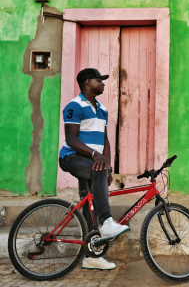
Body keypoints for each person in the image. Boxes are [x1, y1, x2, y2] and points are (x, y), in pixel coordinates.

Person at [58, 68, 129, 270]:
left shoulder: (102, 109)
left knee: (89, 205)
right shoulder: (75, 105)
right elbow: (71, 139)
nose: (103, 83)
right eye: (99, 80)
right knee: (98, 172)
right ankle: (107, 222)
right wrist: (95, 156)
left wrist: (108, 165)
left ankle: (92, 257)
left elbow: (105, 139)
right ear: (88, 82)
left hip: (93, 161)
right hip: (72, 157)